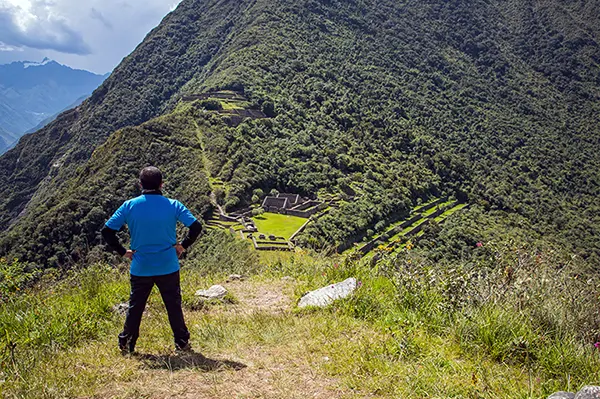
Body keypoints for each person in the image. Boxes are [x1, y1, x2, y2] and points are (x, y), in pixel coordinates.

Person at [101, 166, 202, 354]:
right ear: (161, 185)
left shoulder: (129, 205)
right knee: (173, 306)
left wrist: (123, 252)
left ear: (140, 184)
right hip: (168, 265)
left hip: (141, 266)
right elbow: (196, 226)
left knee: (136, 307)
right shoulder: (173, 205)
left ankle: (127, 343)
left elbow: (107, 232)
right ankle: (181, 342)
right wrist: (182, 246)